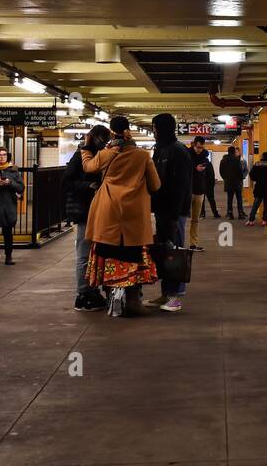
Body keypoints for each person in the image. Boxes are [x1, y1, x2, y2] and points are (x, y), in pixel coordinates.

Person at [80, 115, 161, 317]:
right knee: (133, 255)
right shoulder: (143, 156)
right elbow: (155, 185)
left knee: (108, 254)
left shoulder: (106, 154)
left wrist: (85, 149)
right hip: (134, 215)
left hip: (108, 212)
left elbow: (88, 167)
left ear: (112, 130)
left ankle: (111, 298)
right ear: (128, 130)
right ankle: (133, 300)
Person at [148, 112, 193, 312]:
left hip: (174, 212)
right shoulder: (160, 150)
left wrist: (175, 216)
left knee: (175, 252)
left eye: (155, 127)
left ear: (164, 128)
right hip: (162, 210)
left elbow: (181, 186)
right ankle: (166, 294)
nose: (153, 131)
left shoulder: (178, 151)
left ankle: (176, 297)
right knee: (165, 252)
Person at [63, 124, 111, 310]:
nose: (104, 143)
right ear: (95, 138)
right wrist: (87, 186)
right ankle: (83, 294)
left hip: (95, 208)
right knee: (84, 252)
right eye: (102, 140)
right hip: (83, 210)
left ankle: (91, 291)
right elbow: (67, 181)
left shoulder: (97, 155)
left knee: (92, 251)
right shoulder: (81, 155)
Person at [188, 136, 212, 248]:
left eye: (201, 148)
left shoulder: (205, 157)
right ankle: (177, 244)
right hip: (187, 191)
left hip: (199, 191)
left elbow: (209, 175)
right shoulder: (186, 155)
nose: (200, 150)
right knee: (180, 219)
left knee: (195, 220)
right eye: (198, 147)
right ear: (193, 145)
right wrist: (194, 168)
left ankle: (193, 243)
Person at [220, 145, 247, 220]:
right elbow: (240, 171)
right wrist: (241, 178)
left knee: (230, 198)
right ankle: (240, 213)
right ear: (233, 151)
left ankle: (230, 213)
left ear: (228, 151)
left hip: (228, 182)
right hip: (237, 182)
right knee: (239, 198)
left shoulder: (223, 160)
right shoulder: (236, 160)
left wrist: (225, 178)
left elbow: (221, 171)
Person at [247, 152, 267, 226]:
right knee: (266, 206)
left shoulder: (257, 164)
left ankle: (251, 220)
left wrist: (257, 179)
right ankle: (265, 220)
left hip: (259, 187)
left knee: (256, 204)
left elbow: (251, 174)